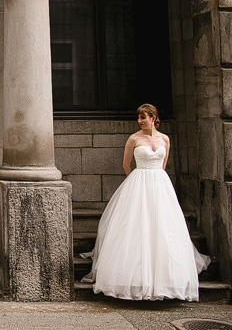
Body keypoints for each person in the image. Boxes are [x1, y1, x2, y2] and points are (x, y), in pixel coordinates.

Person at [81, 103, 210, 301]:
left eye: (144, 117)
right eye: (139, 117)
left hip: (160, 184)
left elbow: (164, 164)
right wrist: (136, 181)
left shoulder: (165, 139)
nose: (140, 121)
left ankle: (165, 279)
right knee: (136, 226)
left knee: (163, 227)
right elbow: (126, 164)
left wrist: (156, 177)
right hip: (139, 181)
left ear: (153, 118)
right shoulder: (133, 138)